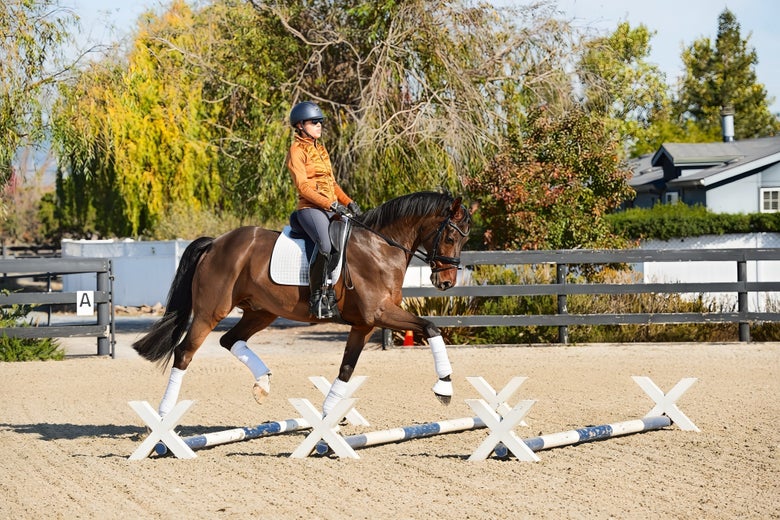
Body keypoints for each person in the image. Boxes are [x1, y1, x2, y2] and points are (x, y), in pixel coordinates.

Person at [286, 101, 361, 319]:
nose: (319, 125)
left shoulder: (320, 149)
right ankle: (317, 296)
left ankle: (335, 291)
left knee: (349, 240)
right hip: (310, 208)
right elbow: (303, 187)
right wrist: (330, 204)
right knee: (326, 245)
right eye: (314, 122)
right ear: (300, 125)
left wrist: (348, 202)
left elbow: (331, 183)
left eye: (320, 122)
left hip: (329, 207)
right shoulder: (296, 150)